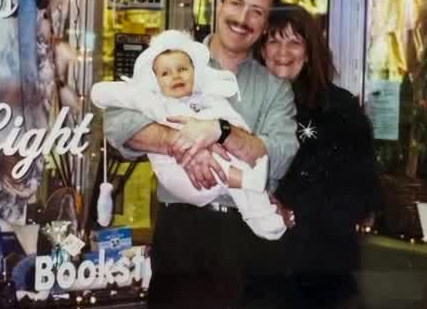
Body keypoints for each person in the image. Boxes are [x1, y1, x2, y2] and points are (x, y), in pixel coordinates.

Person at [103, 0, 299, 309]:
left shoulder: (272, 88)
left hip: (249, 236)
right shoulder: (171, 60)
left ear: (265, 23)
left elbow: (281, 151)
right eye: (236, 4)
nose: (243, 18)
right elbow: (118, 123)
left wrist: (220, 132)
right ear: (219, 4)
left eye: (257, 11)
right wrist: (181, 144)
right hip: (186, 231)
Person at [249, 2, 382, 309]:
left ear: (310, 51)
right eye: (274, 41)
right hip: (261, 276)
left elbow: (363, 190)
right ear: (260, 49)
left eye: (294, 42)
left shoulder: (338, 107)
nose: (283, 52)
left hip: (322, 273)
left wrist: (297, 213)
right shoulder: (248, 103)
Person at [90, 30, 286, 240]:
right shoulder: (155, 101)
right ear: (155, 81)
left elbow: (233, 121)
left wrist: (228, 133)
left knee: (243, 189)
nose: (175, 76)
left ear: (195, 72)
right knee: (235, 172)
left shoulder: (209, 99)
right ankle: (248, 180)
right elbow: (110, 95)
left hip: (219, 187)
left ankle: (264, 221)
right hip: (182, 176)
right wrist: (193, 142)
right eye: (165, 73)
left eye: (182, 69)